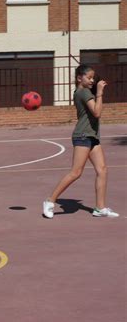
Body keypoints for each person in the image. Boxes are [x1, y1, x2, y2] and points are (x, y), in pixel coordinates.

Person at [42, 65, 119, 219]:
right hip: (83, 135)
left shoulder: (83, 92)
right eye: (89, 77)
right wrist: (100, 93)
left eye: (93, 78)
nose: (92, 80)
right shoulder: (83, 92)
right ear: (79, 78)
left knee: (102, 170)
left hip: (92, 136)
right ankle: (49, 201)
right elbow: (97, 112)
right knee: (76, 172)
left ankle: (100, 208)